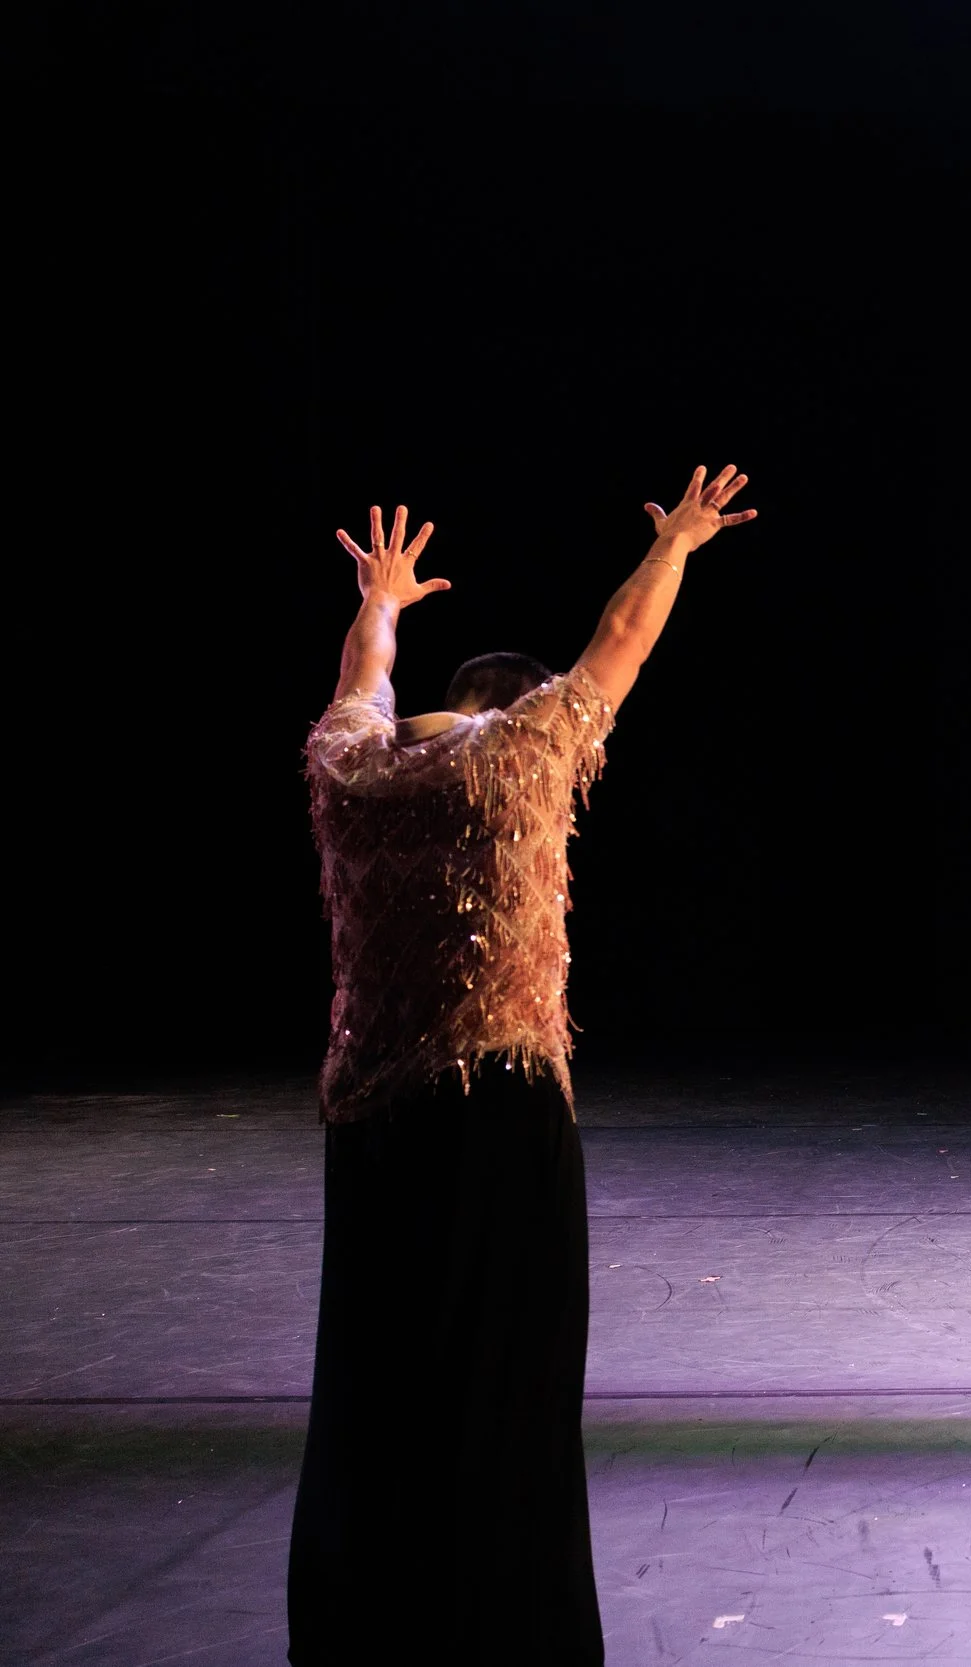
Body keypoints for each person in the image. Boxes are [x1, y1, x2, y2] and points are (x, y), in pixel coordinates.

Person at [289, 466, 756, 1664]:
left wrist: (382, 596)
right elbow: (618, 642)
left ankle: (365, 1619)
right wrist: (680, 544)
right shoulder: (525, 755)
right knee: (511, 1371)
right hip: (498, 1109)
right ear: (514, 706)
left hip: (373, 1122)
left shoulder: (351, 770)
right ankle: (509, 1620)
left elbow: (358, 682)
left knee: (375, 1372)